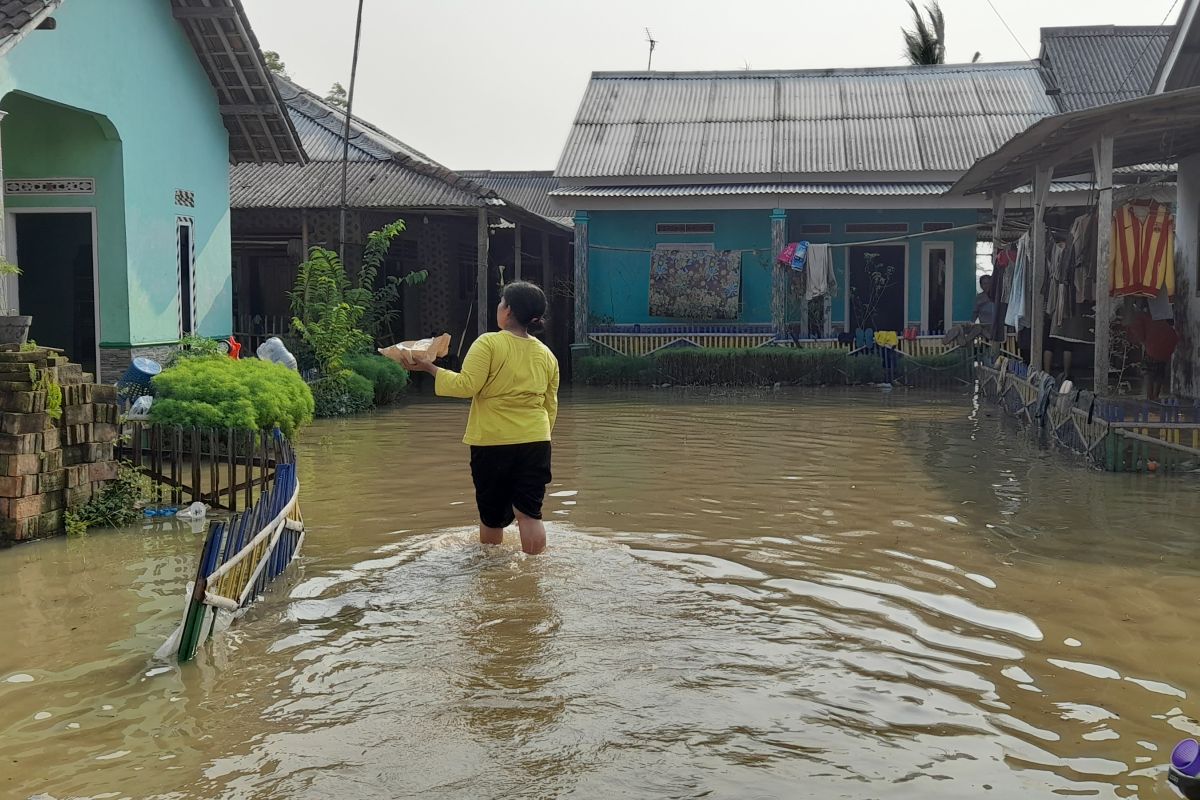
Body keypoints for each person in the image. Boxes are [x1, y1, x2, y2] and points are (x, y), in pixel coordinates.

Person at [409, 281, 560, 555]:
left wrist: (430, 368)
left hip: (493, 440)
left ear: (508, 311)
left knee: (491, 513)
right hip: (537, 440)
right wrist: (539, 436)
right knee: (530, 513)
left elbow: (465, 386)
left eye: (501, 303)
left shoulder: (489, 342)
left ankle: (491, 572)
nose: (499, 308)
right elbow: (550, 405)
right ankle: (536, 573)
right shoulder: (547, 355)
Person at [1125, 308, 1179, 401]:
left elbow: (1139, 335)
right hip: (1164, 353)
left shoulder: (1143, 319)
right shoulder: (1163, 323)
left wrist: (1143, 342)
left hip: (1152, 350)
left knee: (1149, 372)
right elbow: (1174, 338)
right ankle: (1156, 396)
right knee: (1159, 374)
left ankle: (1150, 396)